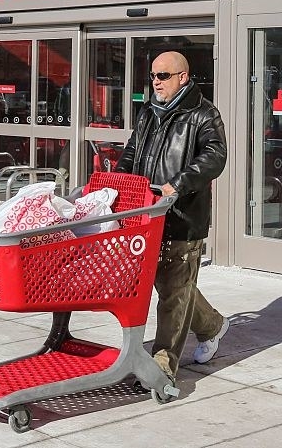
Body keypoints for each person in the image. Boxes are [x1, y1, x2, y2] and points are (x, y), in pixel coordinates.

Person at [114, 50, 229, 383]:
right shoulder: (149, 112)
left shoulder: (204, 114)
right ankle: (213, 325)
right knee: (170, 284)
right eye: (152, 76)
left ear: (183, 76)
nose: (155, 82)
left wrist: (175, 186)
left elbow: (214, 156)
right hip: (146, 215)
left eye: (162, 76)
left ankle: (162, 364)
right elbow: (133, 150)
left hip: (182, 216)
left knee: (174, 290)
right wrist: (118, 182)